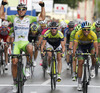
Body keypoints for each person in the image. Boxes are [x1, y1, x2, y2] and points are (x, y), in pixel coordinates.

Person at [0, 0, 45, 92]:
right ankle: (15, 82)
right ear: (17, 11)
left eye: (23, 9)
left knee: (30, 47)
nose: (21, 11)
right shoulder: (13, 18)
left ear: (25, 10)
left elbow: (42, 17)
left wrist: (42, 6)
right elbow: (1, 16)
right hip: (16, 43)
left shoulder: (29, 18)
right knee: (14, 62)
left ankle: (28, 65)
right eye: (19, 9)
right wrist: (2, 5)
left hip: (25, 42)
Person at [73, 21, 98, 91]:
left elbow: (96, 47)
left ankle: (92, 68)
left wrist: (96, 56)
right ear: (82, 29)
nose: (86, 31)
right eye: (84, 29)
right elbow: (75, 45)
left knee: (93, 53)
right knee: (80, 62)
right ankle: (79, 83)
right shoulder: (78, 33)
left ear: (90, 29)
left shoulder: (93, 34)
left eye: (88, 29)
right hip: (81, 47)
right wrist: (74, 54)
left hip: (90, 46)